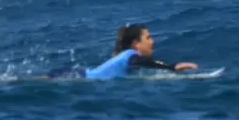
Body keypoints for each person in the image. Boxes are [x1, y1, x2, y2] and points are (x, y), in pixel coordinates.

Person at [46, 23, 198, 80]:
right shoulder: (132, 56)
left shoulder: (127, 56)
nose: (152, 41)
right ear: (136, 44)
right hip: (77, 77)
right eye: (148, 38)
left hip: (79, 74)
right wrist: (171, 67)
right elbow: (144, 62)